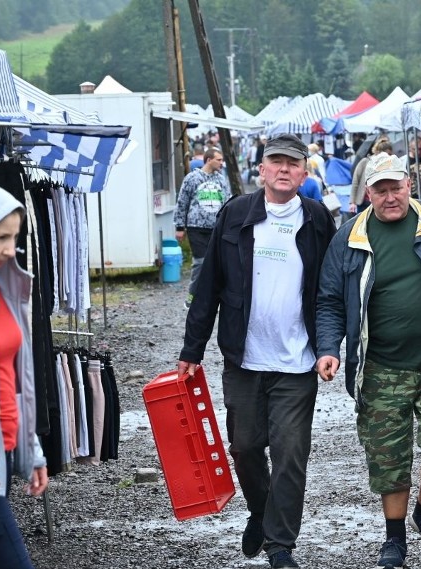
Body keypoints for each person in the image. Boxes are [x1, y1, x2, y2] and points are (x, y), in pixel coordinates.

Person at [315, 152, 421, 569]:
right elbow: (330, 300)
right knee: (388, 456)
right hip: (379, 368)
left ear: (410, 185)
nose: (390, 197)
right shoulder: (349, 237)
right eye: (381, 189)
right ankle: (394, 537)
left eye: (396, 187)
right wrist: (328, 348)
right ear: (367, 192)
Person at [177, 133, 336, 569]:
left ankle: (280, 544)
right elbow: (207, 285)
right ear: (261, 169)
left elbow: (330, 291)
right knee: (245, 447)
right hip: (243, 358)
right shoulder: (235, 214)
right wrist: (192, 348)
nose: (284, 169)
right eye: (276, 162)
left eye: (293, 163)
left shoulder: (318, 220)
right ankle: (259, 511)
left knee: (289, 453)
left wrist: (329, 346)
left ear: (305, 173)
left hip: (297, 361)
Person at [0, 183, 49, 569]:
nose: (11, 249)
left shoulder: (8, 289)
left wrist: (33, 452)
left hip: (4, 452)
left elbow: (20, 383)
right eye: (0, 238)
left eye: (14, 237)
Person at [173, 147, 232, 308]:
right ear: (208, 160)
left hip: (216, 228)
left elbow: (227, 203)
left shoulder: (221, 179)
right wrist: (179, 226)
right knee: (200, 263)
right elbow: (182, 202)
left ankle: (214, 297)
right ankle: (192, 296)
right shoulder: (192, 178)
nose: (221, 163)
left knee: (218, 264)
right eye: (218, 160)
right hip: (196, 227)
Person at [349, 138, 393, 218]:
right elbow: (355, 181)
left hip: (378, 201)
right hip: (363, 201)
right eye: (388, 154)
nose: (388, 156)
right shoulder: (365, 162)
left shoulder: (389, 164)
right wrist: (352, 202)